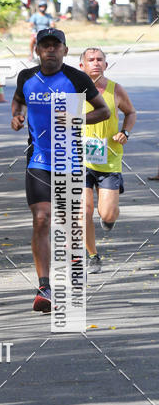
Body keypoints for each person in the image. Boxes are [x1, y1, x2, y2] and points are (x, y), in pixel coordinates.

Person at [11, 28, 111, 311]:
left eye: (56, 46)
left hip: (69, 162)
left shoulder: (76, 78)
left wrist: (75, 116)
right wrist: (16, 116)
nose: (51, 51)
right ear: (38, 51)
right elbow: (19, 99)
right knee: (41, 218)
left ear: (65, 51)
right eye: (46, 47)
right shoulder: (27, 77)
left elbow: (103, 111)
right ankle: (44, 287)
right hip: (38, 160)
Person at [79, 48, 136, 272]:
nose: (95, 63)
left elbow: (131, 113)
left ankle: (109, 218)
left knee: (108, 213)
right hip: (79, 160)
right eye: (90, 60)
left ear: (106, 64)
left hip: (109, 159)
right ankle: (93, 255)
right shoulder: (74, 90)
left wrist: (125, 132)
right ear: (81, 65)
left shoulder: (115, 89)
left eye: (99, 60)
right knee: (83, 210)